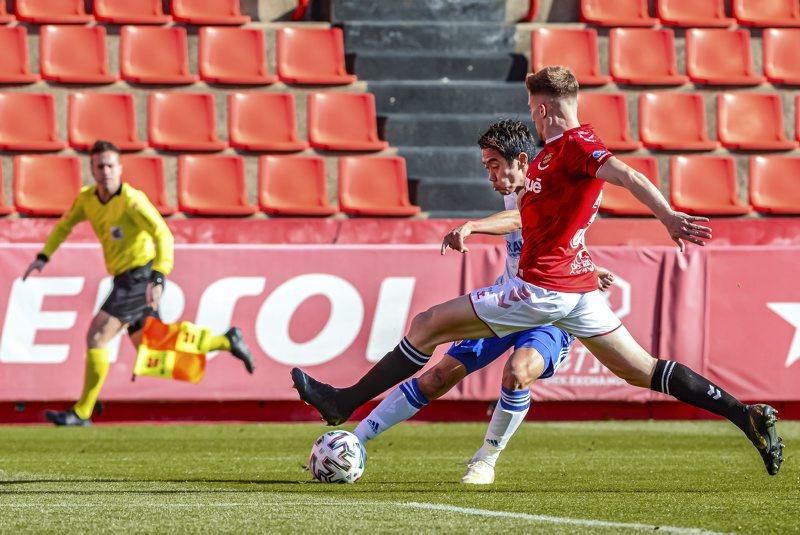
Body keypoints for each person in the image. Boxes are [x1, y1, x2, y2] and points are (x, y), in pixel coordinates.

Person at [293, 66, 784, 476]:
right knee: (643, 370)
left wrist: (669, 218)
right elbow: (532, 217)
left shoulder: (575, 147)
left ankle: (345, 402)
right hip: (576, 292)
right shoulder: (551, 160)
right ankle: (745, 415)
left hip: (540, 291)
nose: (532, 116)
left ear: (544, 109)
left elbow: (627, 176)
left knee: (426, 326)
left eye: (532, 109)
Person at [352, 119, 614, 485]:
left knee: (518, 372)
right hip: (511, 299)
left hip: (553, 311)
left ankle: (486, 459)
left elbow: (522, 220)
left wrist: (473, 225)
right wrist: (591, 265)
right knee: (440, 376)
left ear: (521, 161)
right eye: (486, 166)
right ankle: (357, 438)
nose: (489, 175)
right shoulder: (513, 192)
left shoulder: (550, 187)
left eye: (494, 165)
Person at [23, 140, 255, 426]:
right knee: (154, 347)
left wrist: (159, 275)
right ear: (92, 169)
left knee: (97, 336)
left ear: (119, 168)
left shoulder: (132, 200)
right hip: (124, 277)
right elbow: (64, 225)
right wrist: (43, 256)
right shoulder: (87, 200)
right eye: (100, 166)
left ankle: (82, 412)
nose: (106, 171)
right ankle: (225, 340)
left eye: (110, 165)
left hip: (140, 276)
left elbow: (163, 234)